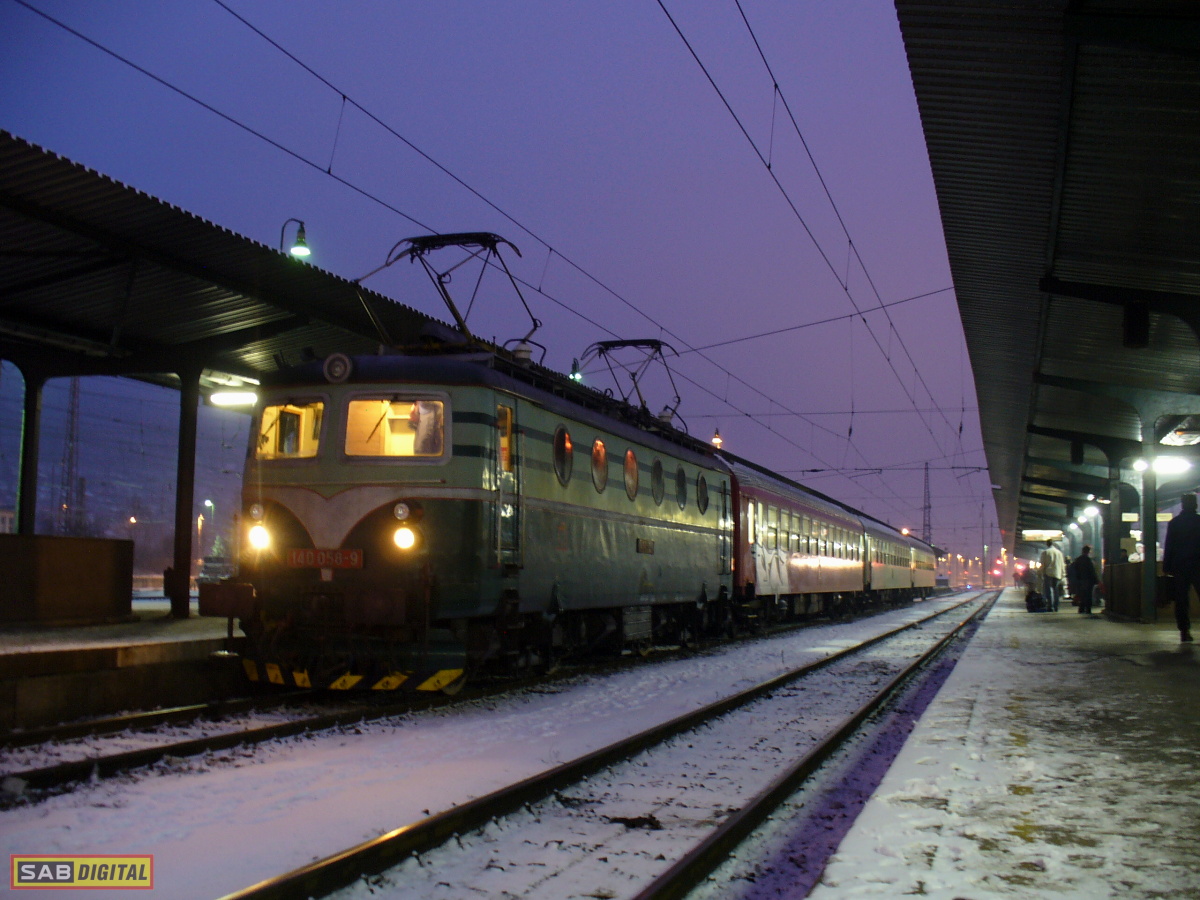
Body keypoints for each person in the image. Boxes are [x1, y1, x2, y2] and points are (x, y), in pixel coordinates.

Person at [1162, 493, 1199, 643]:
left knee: (1181, 600)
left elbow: (1169, 545)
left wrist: (1166, 566)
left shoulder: (1175, 523)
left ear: (1183, 505)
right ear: (1195, 505)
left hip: (1180, 566)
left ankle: (1184, 631)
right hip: (1198, 565)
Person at [1069, 545, 1100, 615]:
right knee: (1088, 595)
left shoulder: (1078, 560)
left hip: (1080, 580)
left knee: (1082, 594)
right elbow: (1092, 571)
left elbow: (1074, 570)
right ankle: (1088, 609)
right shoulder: (1088, 560)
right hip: (1088, 580)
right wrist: (1096, 580)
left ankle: (1081, 608)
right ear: (1088, 552)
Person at [1039, 539, 1066, 612]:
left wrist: (1041, 573)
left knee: (1048, 590)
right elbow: (1062, 564)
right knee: (1056, 590)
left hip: (1048, 573)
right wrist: (1063, 574)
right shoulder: (1059, 553)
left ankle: (1050, 606)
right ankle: (1056, 606)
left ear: (1047, 544)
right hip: (1057, 573)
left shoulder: (1045, 552)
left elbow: (1043, 564)